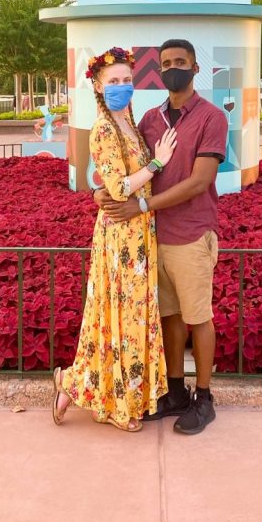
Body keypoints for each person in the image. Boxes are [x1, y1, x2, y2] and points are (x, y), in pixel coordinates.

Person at [99, 39, 228, 436]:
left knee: (197, 318)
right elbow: (122, 166)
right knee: (170, 318)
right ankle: (175, 392)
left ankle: (203, 397)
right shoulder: (151, 119)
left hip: (190, 234)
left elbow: (200, 181)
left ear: (194, 69)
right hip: (154, 239)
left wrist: (141, 207)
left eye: (181, 62)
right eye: (167, 63)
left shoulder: (211, 118)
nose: (174, 68)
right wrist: (99, 189)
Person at [52, 46, 176, 432]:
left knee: (132, 314)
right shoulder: (105, 129)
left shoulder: (130, 124)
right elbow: (119, 188)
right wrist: (158, 162)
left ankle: (78, 383)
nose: (122, 87)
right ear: (99, 87)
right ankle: (110, 400)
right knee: (119, 315)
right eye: (114, 82)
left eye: (126, 80)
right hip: (120, 234)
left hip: (140, 232)